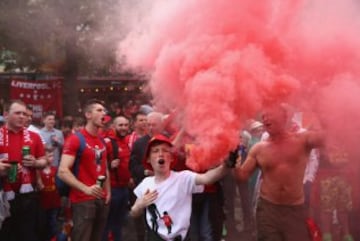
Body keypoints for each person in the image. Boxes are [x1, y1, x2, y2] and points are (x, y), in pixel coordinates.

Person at [235, 104, 323, 241]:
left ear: (284, 117)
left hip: (295, 210)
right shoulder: (259, 149)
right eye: (263, 116)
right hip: (268, 210)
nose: (265, 119)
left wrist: (323, 113)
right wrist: (233, 163)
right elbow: (242, 176)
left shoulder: (302, 140)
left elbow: (324, 139)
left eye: (269, 115)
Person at [130, 134, 233, 241]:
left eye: (165, 151)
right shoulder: (146, 184)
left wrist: (226, 166)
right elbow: (133, 213)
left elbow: (207, 178)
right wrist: (139, 205)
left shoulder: (183, 178)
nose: (161, 154)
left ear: (171, 157)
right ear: (148, 159)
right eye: (155, 151)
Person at [58, 99, 111, 241]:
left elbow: (105, 168)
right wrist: (85, 188)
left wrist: (108, 193)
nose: (103, 113)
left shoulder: (101, 140)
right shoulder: (75, 139)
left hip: (101, 199)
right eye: (99, 110)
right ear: (88, 115)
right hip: (82, 201)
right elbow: (62, 171)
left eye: (104, 111)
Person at [0, 99, 47, 241]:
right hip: (2, 194)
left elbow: (44, 161)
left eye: (24, 114)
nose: (22, 116)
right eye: (17, 113)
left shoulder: (34, 136)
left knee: (27, 234)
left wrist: (36, 162)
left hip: (27, 195)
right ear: (6, 114)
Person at [102, 116, 133, 241]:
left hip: (124, 188)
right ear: (114, 127)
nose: (124, 128)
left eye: (126, 125)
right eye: (120, 125)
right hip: (112, 189)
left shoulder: (126, 142)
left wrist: (130, 178)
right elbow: (99, 165)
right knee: (108, 223)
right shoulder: (107, 142)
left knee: (119, 222)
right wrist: (110, 165)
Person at [38, 147, 62, 241]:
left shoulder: (55, 170)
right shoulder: (38, 172)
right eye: (49, 156)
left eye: (53, 156)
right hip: (43, 204)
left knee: (53, 224)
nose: (52, 158)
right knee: (43, 224)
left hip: (55, 203)